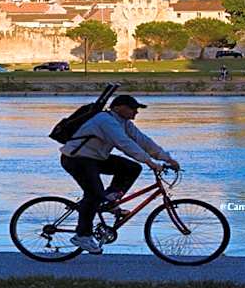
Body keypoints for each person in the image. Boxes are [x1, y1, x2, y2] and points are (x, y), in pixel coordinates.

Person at [59, 95, 179, 254]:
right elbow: (124, 144)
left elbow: (142, 140)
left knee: (132, 168)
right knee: (94, 194)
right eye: (132, 108)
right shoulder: (105, 120)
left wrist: (166, 158)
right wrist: (149, 162)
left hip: (95, 157)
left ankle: (109, 200)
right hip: (76, 159)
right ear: (117, 108)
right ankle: (82, 235)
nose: (136, 112)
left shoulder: (124, 123)